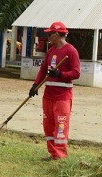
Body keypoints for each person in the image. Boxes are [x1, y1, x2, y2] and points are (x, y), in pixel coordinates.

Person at [28, 21, 81, 160]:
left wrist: (60, 75)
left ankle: (61, 157)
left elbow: (76, 73)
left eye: (50, 34)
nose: (48, 37)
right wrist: (35, 85)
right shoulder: (51, 51)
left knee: (61, 126)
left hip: (63, 96)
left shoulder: (71, 51)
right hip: (48, 95)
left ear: (57, 34)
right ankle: (53, 154)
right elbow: (43, 69)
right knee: (49, 126)